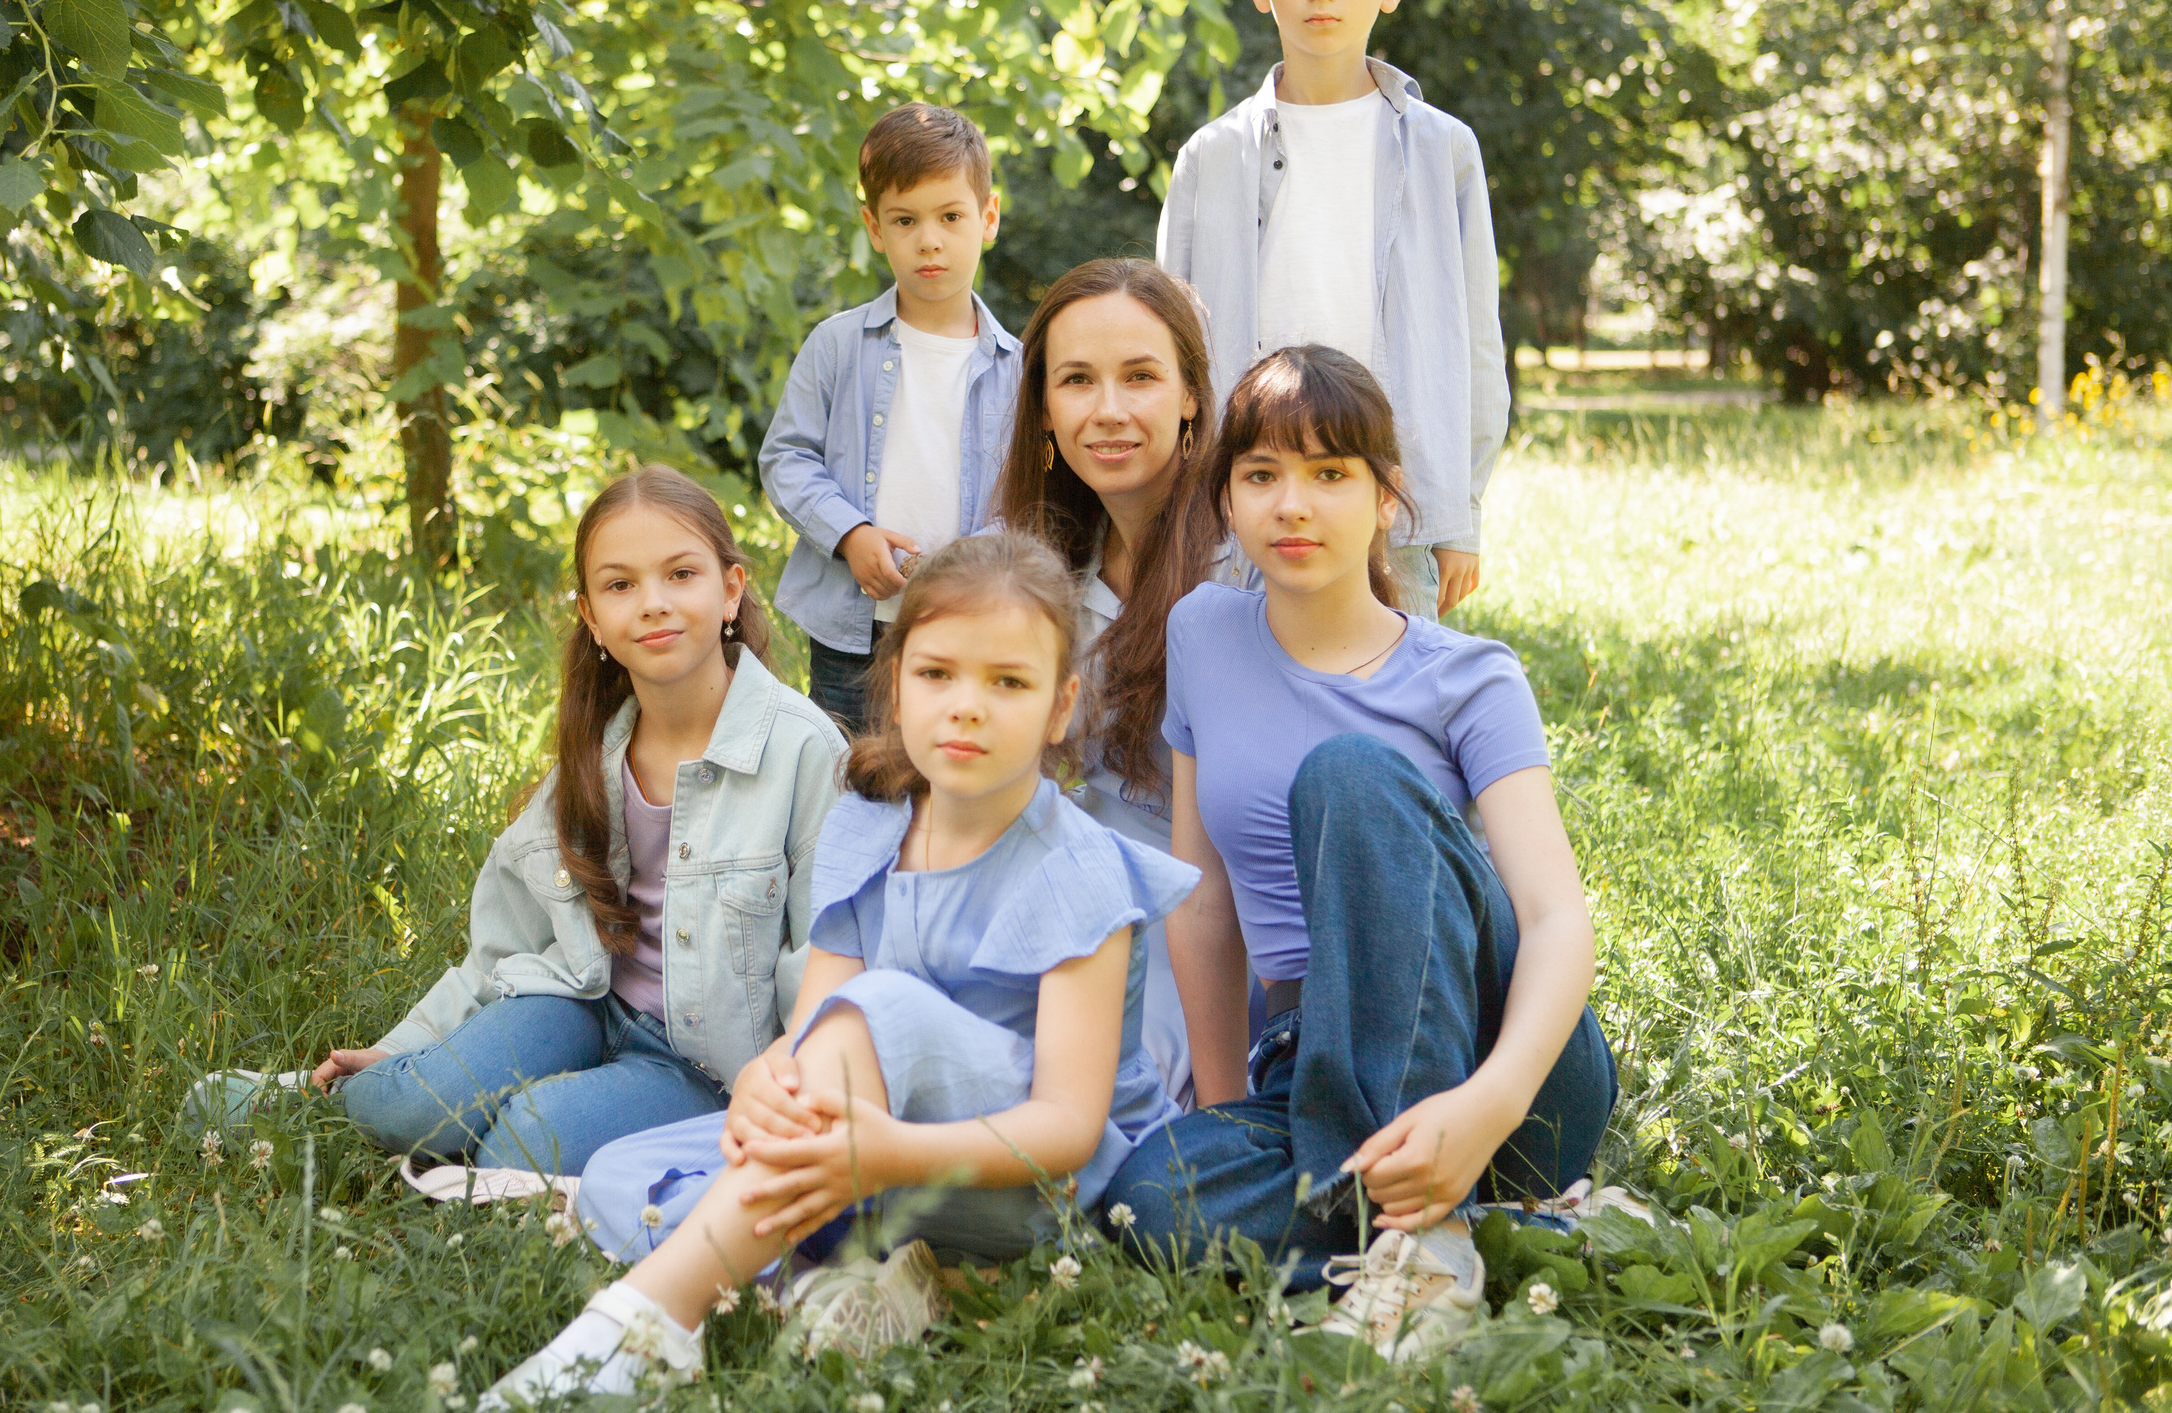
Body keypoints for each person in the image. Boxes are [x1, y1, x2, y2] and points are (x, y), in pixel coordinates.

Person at [485, 533, 1198, 1404]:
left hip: (1031, 1189)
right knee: (617, 1178)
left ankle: (645, 1324)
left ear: (1061, 705)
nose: (967, 706)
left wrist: (884, 1152)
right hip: (862, 1152)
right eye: (937, 674)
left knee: (884, 1006)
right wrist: (764, 1085)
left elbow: (1066, 1127)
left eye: (1008, 682)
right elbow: (810, 1030)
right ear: (897, 685)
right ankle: (861, 1279)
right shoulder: (870, 825)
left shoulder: (1079, 870)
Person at [1100, 345, 1616, 1363]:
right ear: (1228, 500)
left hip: (1500, 1057)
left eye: (1330, 474)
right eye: (1262, 476)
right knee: (1145, 1204)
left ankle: (1419, 1236)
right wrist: (1221, 1102)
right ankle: (1500, 1229)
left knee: (1348, 774)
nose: (1294, 505)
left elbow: (1556, 919)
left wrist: (1485, 1105)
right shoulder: (1204, 632)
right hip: (1311, 1066)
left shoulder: (1469, 678)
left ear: (1387, 498)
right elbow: (1202, 900)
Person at [312, 466, 844, 1178]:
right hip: (580, 1002)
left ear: (731, 589)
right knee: (420, 1104)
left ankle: (493, 1128)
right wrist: (412, 1044)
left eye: (681, 573)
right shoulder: (595, 755)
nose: (653, 603)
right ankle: (299, 1104)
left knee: (522, 1144)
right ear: (592, 617)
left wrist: (783, 1100)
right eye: (620, 584)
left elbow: (830, 963)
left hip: (703, 1069)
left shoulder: (804, 752)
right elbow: (507, 943)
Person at [1155, 0, 1507, 622]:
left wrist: (1461, 510)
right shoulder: (1210, 159)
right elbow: (1172, 354)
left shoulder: (1444, 150)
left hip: (1397, 498)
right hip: (1240, 505)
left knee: (1388, 714)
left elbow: (1475, 341)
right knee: (1247, 710)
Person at [989, 257, 1215, 1105]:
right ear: (1043, 406)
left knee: (1108, 1084)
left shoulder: (1248, 557)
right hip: (1085, 866)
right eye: (1077, 380)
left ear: (1191, 393)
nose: (1109, 410)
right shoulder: (1046, 566)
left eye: (1141, 377)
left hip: (1215, 897)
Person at [760, 103, 1025, 733]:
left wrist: (970, 563)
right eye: (905, 220)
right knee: (851, 780)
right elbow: (786, 457)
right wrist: (850, 534)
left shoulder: (1023, 370)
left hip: (968, 627)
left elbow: (1034, 497)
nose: (928, 240)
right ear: (874, 228)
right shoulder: (837, 345)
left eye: (951, 217)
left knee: (950, 782)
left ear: (987, 218)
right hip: (852, 635)